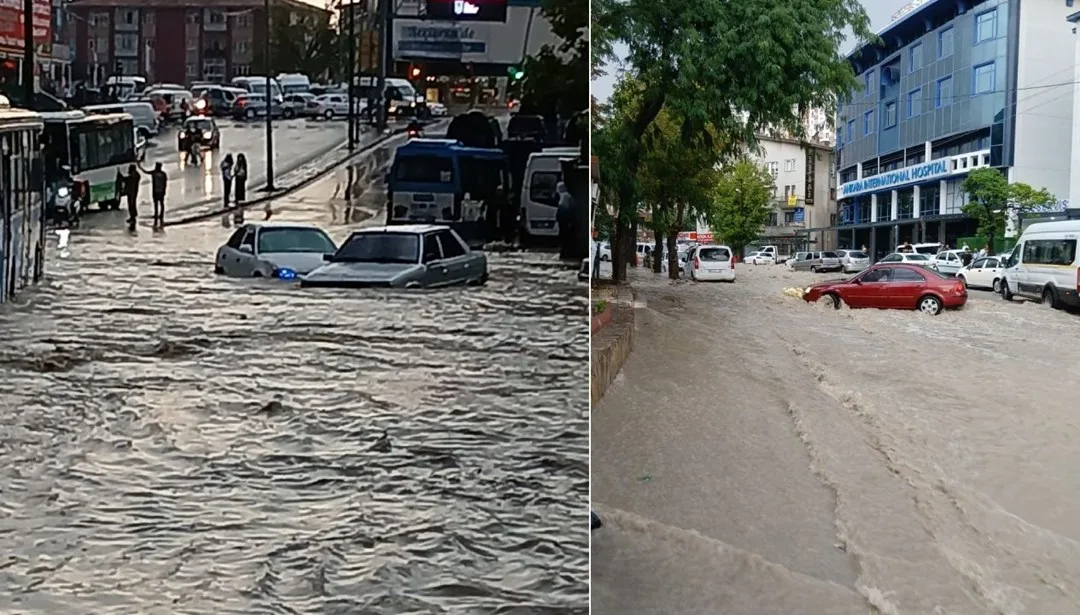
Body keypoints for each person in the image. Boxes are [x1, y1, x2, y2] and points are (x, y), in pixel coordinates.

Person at [555, 182, 574, 259]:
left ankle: (564, 254)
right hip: (565, 221)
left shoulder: (564, 196)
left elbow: (563, 209)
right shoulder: (566, 196)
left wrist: (559, 217)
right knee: (564, 237)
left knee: (564, 237)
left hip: (564, 221)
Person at [150, 162, 167, 228]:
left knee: (157, 204)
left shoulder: (154, 173)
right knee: (160, 203)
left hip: (157, 191)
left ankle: (157, 215)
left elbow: (145, 171)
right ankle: (160, 215)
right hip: (160, 191)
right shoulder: (163, 174)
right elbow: (165, 183)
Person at [125, 163, 141, 229]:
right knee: (131, 204)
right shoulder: (135, 175)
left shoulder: (135, 176)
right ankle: (132, 216)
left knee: (132, 204)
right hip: (131, 191)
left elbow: (129, 180)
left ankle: (133, 217)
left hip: (133, 192)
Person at [234, 153, 248, 224]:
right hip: (238, 177)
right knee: (237, 189)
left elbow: (245, 170)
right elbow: (235, 169)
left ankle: (241, 198)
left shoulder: (243, 164)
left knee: (241, 188)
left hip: (241, 177)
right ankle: (237, 198)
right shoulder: (238, 164)